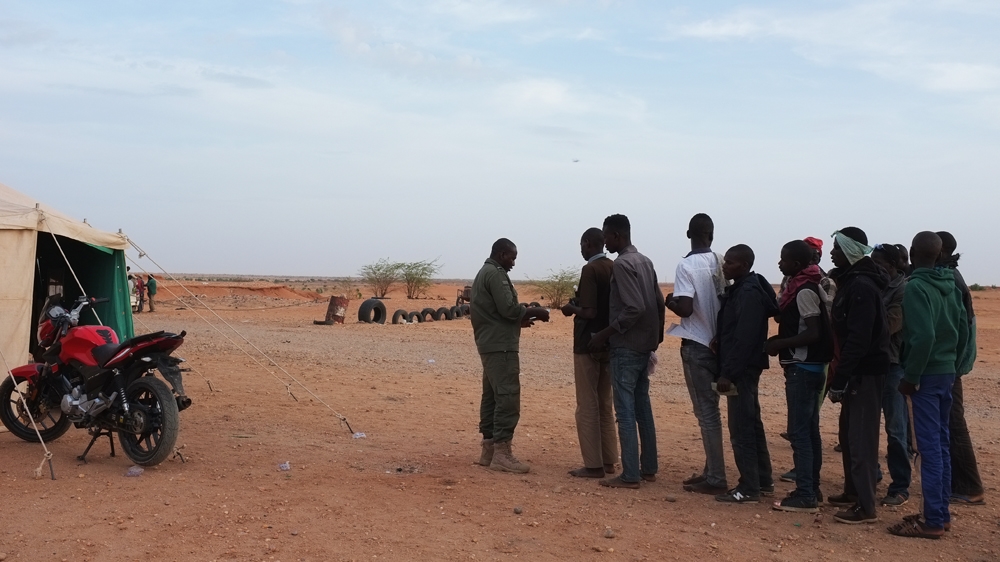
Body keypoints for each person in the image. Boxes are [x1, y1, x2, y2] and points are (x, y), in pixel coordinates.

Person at [888, 231, 969, 539]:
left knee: (927, 450)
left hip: (924, 375)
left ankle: (932, 520)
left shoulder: (916, 287)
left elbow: (923, 338)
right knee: (941, 445)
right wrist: (954, 364)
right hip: (946, 372)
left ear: (911, 252)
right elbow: (963, 330)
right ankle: (940, 513)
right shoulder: (951, 283)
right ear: (938, 255)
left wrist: (911, 378)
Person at [589, 214, 665, 489]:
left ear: (617, 236)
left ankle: (631, 474)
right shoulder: (644, 261)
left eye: (606, 236)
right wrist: (655, 337)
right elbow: (658, 302)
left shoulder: (622, 264)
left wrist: (605, 334)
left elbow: (634, 307)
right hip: (644, 345)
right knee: (642, 407)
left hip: (626, 346)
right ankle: (649, 468)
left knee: (625, 411)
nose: (605, 241)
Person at [827, 227, 890, 525]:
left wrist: (841, 379)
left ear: (850, 251)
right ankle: (853, 493)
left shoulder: (862, 286)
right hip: (855, 371)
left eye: (837, 249)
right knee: (849, 436)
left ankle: (866, 507)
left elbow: (859, 338)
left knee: (861, 439)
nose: (831, 254)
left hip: (864, 372)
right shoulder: (852, 282)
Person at [471, 239, 550, 473]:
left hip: (489, 342)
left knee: (492, 396)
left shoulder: (484, 273)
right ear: (501, 253)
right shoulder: (496, 274)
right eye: (511, 258)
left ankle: (489, 450)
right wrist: (535, 311)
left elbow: (495, 312)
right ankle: (502, 454)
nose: (513, 263)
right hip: (501, 346)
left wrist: (520, 320)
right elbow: (507, 308)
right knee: (507, 396)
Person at [767, 240, 833, 513]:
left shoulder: (805, 291)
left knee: (799, 433)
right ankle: (811, 488)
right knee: (809, 431)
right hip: (810, 367)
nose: (779, 264)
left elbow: (813, 332)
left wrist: (779, 344)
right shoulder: (807, 285)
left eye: (783, 260)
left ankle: (805, 493)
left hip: (803, 368)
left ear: (795, 264)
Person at [665, 213, 728, 495]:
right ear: (711, 235)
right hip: (719, 345)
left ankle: (716, 476)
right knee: (711, 410)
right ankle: (710, 470)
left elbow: (686, 309)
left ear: (688, 233)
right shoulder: (722, 261)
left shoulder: (686, 265)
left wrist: (670, 301)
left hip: (697, 343)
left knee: (706, 414)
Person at [714, 245, 778, 503]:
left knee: (742, 428)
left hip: (742, 369)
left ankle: (748, 487)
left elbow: (745, 337)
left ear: (743, 265)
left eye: (729, 263)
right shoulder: (744, 288)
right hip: (745, 366)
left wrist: (728, 372)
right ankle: (762, 480)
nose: (725, 266)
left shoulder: (749, 292)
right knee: (751, 423)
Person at [561, 228, 618, 478]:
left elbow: (589, 311)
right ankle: (609, 460)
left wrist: (570, 308)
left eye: (582, 245)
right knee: (605, 403)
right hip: (609, 341)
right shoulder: (613, 266)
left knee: (587, 404)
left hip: (588, 343)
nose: (581, 250)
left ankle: (593, 464)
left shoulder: (590, 270)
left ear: (587, 244)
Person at [936, 231, 984, 505]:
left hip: (947, 364)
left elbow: (958, 328)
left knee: (954, 423)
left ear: (940, 252)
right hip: (950, 363)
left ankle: (969, 486)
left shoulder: (949, 280)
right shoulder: (950, 276)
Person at [870, 244, 912, 506]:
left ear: (894, 265)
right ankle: (870, 475)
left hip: (894, 365)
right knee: (866, 425)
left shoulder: (904, 290)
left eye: (880, 264)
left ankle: (900, 486)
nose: (876, 269)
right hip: (872, 364)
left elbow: (891, 325)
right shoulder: (874, 285)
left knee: (896, 430)